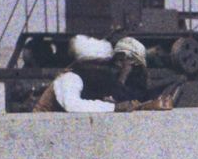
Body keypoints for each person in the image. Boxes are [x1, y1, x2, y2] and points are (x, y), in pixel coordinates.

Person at [34, 35, 176, 113]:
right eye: (97, 64)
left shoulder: (95, 81)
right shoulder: (70, 78)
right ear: (85, 64)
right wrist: (114, 108)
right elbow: (73, 105)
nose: (100, 69)